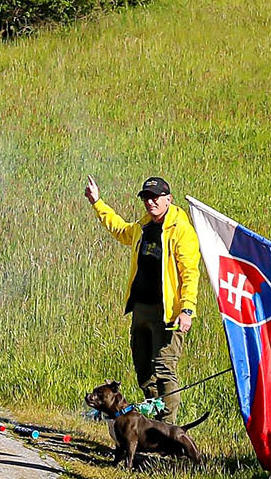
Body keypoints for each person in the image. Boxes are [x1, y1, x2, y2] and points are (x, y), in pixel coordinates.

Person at [84, 175, 200, 423]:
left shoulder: (182, 231)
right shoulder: (144, 226)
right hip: (141, 310)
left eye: (155, 197)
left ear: (169, 199)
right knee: (144, 372)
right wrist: (97, 202)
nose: (150, 202)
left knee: (164, 370)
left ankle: (167, 429)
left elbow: (190, 273)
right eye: (146, 198)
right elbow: (121, 230)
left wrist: (187, 310)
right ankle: (153, 426)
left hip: (168, 314)